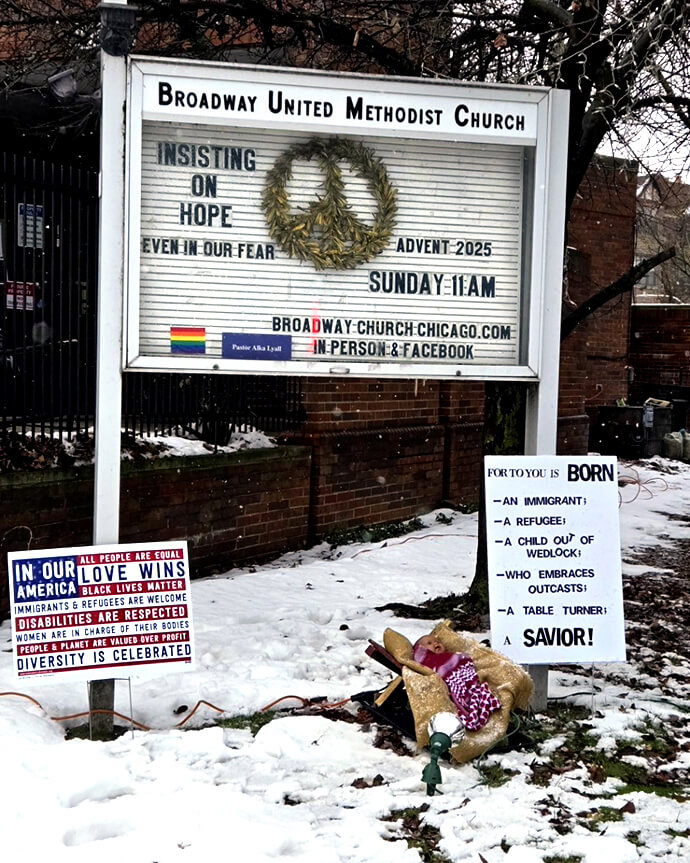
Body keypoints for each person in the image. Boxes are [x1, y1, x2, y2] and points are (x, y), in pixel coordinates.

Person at [413, 634, 501, 732]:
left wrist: (460, 659)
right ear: (422, 651)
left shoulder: (449, 655)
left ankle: (473, 697)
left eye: (437, 641)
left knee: (476, 689)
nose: (435, 643)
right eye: (429, 643)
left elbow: (463, 660)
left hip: (465, 678)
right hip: (451, 683)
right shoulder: (429, 662)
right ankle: (468, 702)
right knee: (462, 694)